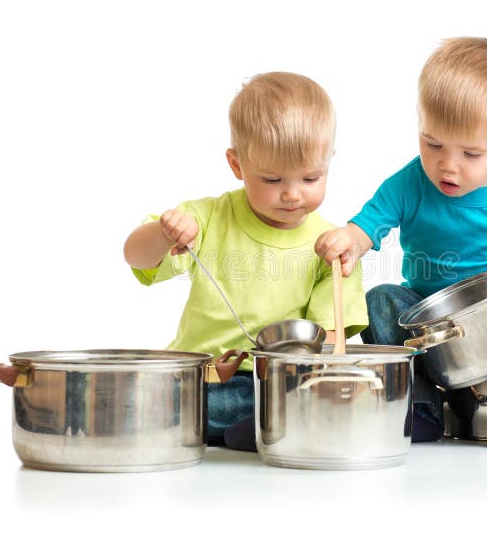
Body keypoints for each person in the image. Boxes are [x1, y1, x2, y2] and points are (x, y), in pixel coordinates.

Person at [315, 37, 487, 456]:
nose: (448, 164)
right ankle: (419, 405)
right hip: (431, 318)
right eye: (433, 143)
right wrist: (350, 238)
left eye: (471, 153)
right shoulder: (409, 182)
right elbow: (369, 224)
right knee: (380, 300)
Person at [124, 72, 368, 451]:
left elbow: (329, 343)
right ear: (237, 166)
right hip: (203, 377)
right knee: (155, 396)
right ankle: (263, 427)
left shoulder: (332, 247)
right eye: (272, 179)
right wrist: (164, 234)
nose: (292, 194)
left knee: (295, 399)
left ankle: (262, 422)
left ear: (329, 162)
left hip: (273, 382)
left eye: (311, 177)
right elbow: (135, 256)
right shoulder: (205, 219)